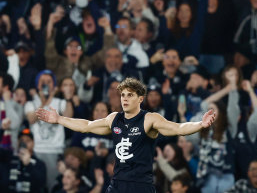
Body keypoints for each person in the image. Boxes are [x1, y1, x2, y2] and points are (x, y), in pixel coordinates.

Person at [36, 77, 216, 193]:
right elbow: (86, 126)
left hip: (141, 186)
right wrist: (59, 119)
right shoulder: (114, 118)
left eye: (130, 95)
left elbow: (178, 128)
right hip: (118, 184)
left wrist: (201, 124)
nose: (125, 98)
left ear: (140, 99)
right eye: (122, 95)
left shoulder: (149, 119)